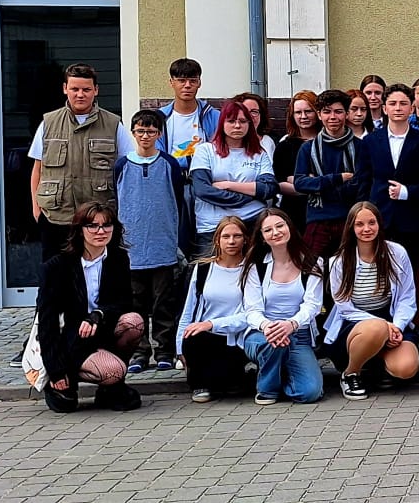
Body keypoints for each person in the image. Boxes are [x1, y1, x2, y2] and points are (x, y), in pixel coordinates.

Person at [36, 202, 144, 412]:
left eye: (106, 225)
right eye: (93, 226)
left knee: (134, 322)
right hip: (73, 339)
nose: (100, 231)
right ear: (80, 230)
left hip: (103, 330)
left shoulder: (119, 258)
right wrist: (56, 370)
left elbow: (124, 303)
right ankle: (70, 378)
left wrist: (98, 314)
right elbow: (47, 322)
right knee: (111, 372)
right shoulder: (57, 266)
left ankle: (110, 388)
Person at [30, 63, 135, 266]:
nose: (80, 94)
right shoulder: (48, 123)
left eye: (86, 89)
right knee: (55, 275)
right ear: (65, 89)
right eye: (75, 89)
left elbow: (128, 170)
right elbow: (38, 170)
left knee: (101, 274)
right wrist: (37, 210)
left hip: (99, 221)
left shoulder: (113, 124)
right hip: (56, 217)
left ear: (96, 90)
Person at [113, 109, 190, 373]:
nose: (145, 136)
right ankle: (139, 352)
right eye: (140, 131)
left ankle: (164, 350)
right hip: (131, 247)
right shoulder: (122, 165)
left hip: (162, 245)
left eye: (151, 131)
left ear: (159, 134)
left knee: (163, 303)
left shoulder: (169, 164)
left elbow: (177, 200)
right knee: (135, 304)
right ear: (133, 133)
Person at [322, 201, 419, 400]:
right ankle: (351, 373)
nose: (366, 229)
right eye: (359, 224)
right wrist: (384, 325)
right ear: (351, 227)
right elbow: (345, 308)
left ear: (379, 224)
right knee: (376, 328)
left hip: (391, 318)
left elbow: (407, 296)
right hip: (354, 323)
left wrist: (397, 326)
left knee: (406, 368)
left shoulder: (397, 253)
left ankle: (376, 366)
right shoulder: (338, 262)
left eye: (371, 223)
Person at [360, 84, 419, 321]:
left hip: (412, 220)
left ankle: (406, 324)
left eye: (403, 103)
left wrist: (408, 192)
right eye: (393, 103)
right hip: (378, 219)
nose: (398, 108)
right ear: (384, 108)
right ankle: (380, 323)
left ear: (411, 108)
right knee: (378, 273)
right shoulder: (370, 141)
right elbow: (362, 180)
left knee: (407, 274)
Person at [240, 209, 326, 405]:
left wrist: (291, 324)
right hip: (262, 334)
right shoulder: (255, 266)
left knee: (310, 393)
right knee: (274, 343)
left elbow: (312, 305)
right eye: (268, 230)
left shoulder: (312, 262)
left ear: (290, 227)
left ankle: (280, 372)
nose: (276, 232)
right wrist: (269, 327)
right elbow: (252, 310)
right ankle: (267, 390)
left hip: (298, 334)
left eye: (280, 226)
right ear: (262, 237)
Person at [175, 215, 253, 402]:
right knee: (193, 335)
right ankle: (200, 384)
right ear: (217, 240)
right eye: (226, 236)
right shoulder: (203, 269)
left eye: (237, 236)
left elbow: (251, 314)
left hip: (237, 338)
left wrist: (212, 323)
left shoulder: (252, 269)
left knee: (229, 384)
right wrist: (179, 347)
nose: (231, 241)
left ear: (245, 239)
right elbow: (189, 310)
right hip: (205, 338)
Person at [190, 99, 278, 260]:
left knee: (255, 271)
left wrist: (229, 185)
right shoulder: (205, 151)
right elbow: (203, 190)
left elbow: (269, 188)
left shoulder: (259, 154)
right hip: (213, 227)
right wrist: (252, 195)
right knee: (206, 272)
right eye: (231, 121)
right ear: (222, 124)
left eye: (243, 121)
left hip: (252, 223)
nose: (237, 126)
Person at [296, 89, 372, 256]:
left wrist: (318, 183)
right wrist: (338, 178)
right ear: (319, 114)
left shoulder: (361, 147)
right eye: (327, 112)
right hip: (318, 219)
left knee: (349, 267)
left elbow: (361, 184)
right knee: (311, 267)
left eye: (338, 111)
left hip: (350, 218)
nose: (332, 117)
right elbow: (300, 183)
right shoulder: (308, 148)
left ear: (347, 114)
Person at [274, 90, 320, 232]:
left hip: (324, 211)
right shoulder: (285, 146)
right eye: (298, 112)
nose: (303, 116)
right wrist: (311, 185)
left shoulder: (328, 142)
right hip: (294, 211)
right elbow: (279, 182)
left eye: (308, 111)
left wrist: (296, 180)